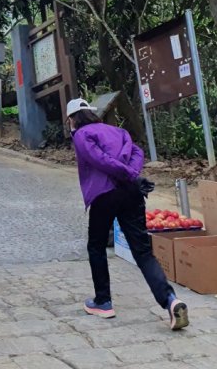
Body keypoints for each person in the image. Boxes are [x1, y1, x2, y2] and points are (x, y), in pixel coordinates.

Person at [66, 97, 188, 330]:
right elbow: (136, 152)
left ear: (72, 119)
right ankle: (171, 300)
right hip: (132, 193)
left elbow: (100, 161)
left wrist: (129, 176)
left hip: (105, 195)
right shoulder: (119, 131)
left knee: (96, 246)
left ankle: (103, 301)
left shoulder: (82, 135)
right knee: (143, 252)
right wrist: (132, 176)